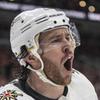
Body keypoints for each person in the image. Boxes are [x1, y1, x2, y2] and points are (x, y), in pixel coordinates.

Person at [0, 8, 98, 100]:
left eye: (68, 38)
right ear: (31, 57)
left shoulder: (81, 84)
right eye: (56, 40)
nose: (69, 46)